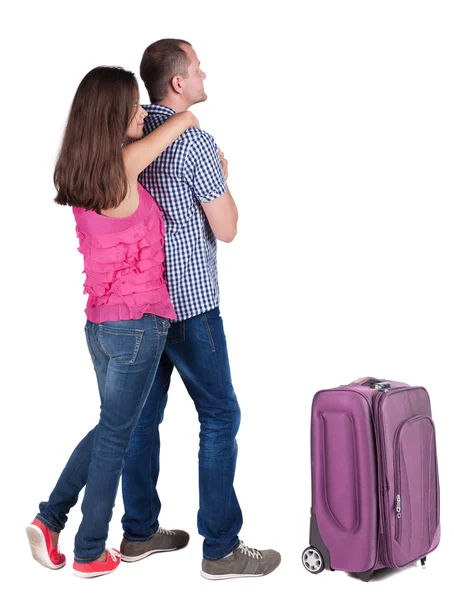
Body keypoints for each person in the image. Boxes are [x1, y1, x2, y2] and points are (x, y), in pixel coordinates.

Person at [25, 66, 198, 578]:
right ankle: (88, 551)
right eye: (135, 108)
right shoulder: (123, 166)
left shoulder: (81, 171)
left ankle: (50, 518)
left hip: (100, 326)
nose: (144, 114)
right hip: (140, 325)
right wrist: (181, 113)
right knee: (117, 438)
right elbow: (183, 119)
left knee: (110, 429)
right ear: (113, 117)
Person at [119, 39, 281, 580]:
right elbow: (228, 229)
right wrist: (222, 178)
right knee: (220, 415)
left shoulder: (129, 137)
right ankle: (221, 548)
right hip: (190, 307)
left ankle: (139, 532)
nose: (204, 71)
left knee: (143, 417)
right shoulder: (194, 144)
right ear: (178, 83)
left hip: (140, 307)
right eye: (196, 66)